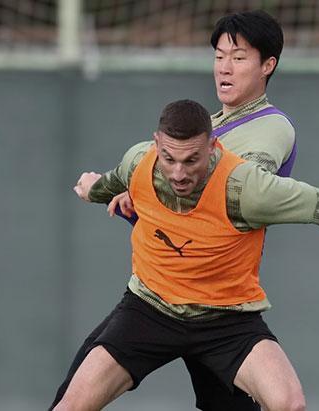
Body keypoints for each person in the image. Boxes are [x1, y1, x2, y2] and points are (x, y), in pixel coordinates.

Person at [56, 99, 319, 411]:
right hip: (150, 309)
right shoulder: (139, 161)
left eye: (192, 160)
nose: (179, 173)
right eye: (169, 159)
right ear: (156, 144)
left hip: (226, 320)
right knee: (70, 406)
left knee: (289, 403)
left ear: (213, 147)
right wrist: (91, 189)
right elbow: (110, 183)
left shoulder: (246, 189)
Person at [50, 10, 296, 411]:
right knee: (71, 401)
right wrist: (136, 199)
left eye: (238, 58)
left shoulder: (271, 127)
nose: (224, 68)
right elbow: (184, 208)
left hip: (221, 309)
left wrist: (118, 190)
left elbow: (238, 193)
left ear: (268, 65)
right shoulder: (207, 128)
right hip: (158, 301)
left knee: (285, 402)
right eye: (219, 56)